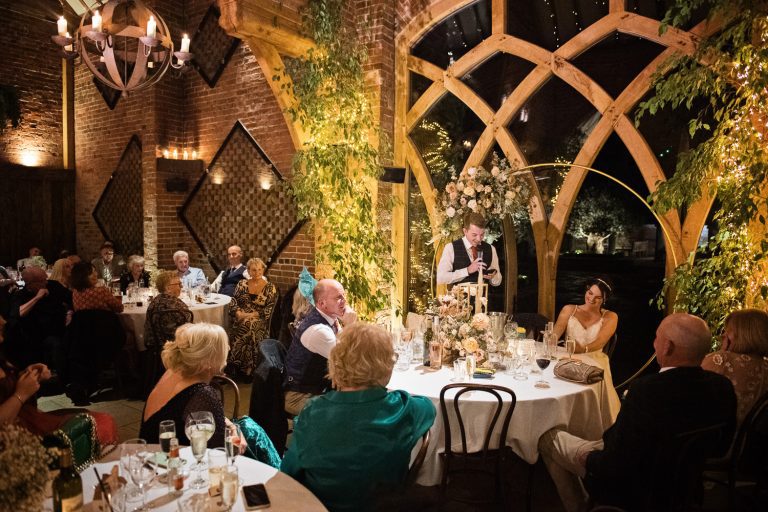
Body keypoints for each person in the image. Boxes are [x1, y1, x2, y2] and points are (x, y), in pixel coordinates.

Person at [538, 313, 737, 512]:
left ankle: (582, 507)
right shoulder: (722, 387)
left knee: (547, 437)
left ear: (668, 346)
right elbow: (720, 447)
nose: (654, 343)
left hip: (636, 491)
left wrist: (588, 459)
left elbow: (614, 465)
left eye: (656, 337)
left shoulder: (647, 391)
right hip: (683, 486)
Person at [281, 322, 436, 512]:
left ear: (336, 364)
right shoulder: (403, 408)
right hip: (386, 505)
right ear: (387, 365)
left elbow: (289, 472)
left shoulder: (313, 412)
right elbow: (429, 407)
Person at [0, 315, 118, 446]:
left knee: (101, 422)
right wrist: (21, 394)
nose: (3, 321)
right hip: (18, 439)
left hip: (29, 420)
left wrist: (26, 375)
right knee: (100, 424)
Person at [139, 323, 228, 447]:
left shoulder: (172, 372)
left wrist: (228, 423)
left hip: (149, 451)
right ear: (208, 361)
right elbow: (219, 450)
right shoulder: (202, 393)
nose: (228, 349)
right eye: (223, 348)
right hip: (168, 460)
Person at [284, 278, 357, 416]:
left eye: (344, 296)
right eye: (338, 297)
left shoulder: (330, 319)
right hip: (299, 396)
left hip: (317, 388)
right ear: (322, 303)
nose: (344, 301)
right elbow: (350, 360)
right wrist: (351, 326)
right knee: (350, 411)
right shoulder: (318, 330)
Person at [552, 277, 621, 421]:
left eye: (597, 297)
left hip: (594, 359)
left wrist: (582, 349)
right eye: (590, 293)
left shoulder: (610, 316)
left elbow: (600, 342)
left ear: (604, 299)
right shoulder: (569, 310)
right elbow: (555, 335)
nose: (591, 299)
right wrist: (549, 339)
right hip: (569, 356)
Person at [702, 308, 768, 426]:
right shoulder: (765, 366)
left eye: (728, 330)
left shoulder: (720, 360)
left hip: (716, 438)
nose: (723, 335)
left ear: (742, 334)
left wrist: (722, 354)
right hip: (753, 442)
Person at [4, 266, 70, 373]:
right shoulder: (21, 295)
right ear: (30, 284)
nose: (46, 282)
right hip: (38, 336)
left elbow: (71, 298)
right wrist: (37, 298)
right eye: (42, 281)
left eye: (45, 278)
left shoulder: (54, 286)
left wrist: (70, 312)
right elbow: (17, 313)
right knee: (54, 343)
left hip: (62, 328)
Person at [143, 271, 193, 395]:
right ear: (167, 288)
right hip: (176, 346)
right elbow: (187, 330)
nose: (181, 287)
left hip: (155, 345)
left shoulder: (154, 303)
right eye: (178, 284)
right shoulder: (177, 304)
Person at [228, 258, 278, 379]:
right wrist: (238, 312)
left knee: (249, 324)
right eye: (254, 270)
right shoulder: (242, 284)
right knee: (245, 324)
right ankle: (241, 367)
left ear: (263, 270)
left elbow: (268, 310)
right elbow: (233, 301)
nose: (257, 273)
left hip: (259, 320)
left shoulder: (270, 287)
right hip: (241, 317)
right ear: (249, 271)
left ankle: (244, 367)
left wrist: (247, 316)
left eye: (260, 270)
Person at [436, 212, 502, 287]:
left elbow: (497, 282)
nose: (478, 239)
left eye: (482, 234)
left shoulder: (491, 249)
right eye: (474, 235)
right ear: (465, 231)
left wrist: (494, 276)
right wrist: (467, 270)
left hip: (483, 298)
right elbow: (441, 278)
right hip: (458, 298)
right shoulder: (450, 248)